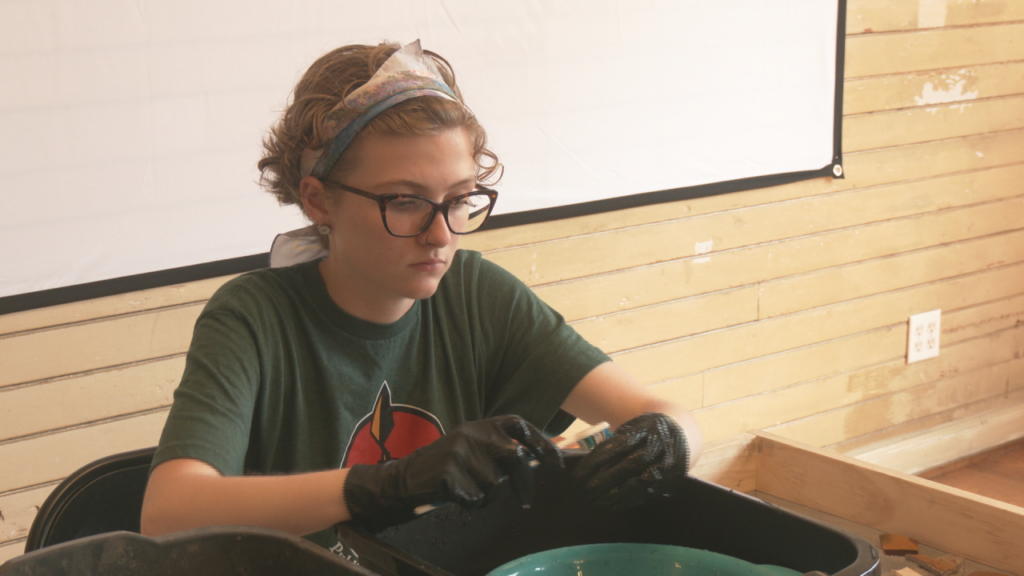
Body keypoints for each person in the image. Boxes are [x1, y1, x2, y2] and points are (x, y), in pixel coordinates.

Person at [140, 40, 703, 553]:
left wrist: (667, 440)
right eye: (405, 202)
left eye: (460, 199)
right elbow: (168, 514)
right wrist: (389, 484)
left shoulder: (479, 297)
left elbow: (668, 417)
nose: (442, 235)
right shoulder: (254, 319)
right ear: (318, 202)